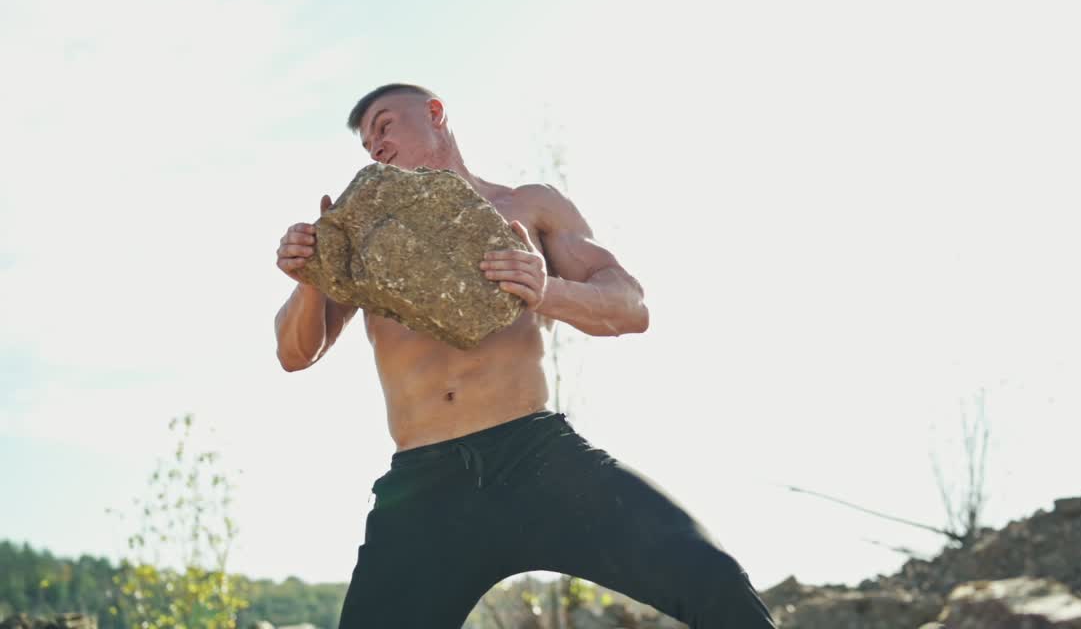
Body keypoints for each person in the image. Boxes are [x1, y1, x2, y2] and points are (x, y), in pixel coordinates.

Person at [273, 83, 777, 628]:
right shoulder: (362, 232)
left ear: (435, 114)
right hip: (426, 488)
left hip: (536, 458)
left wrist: (546, 290)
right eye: (368, 143)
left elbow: (631, 308)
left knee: (712, 580)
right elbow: (294, 353)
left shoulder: (528, 207)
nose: (377, 147)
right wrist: (309, 280)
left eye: (385, 125)